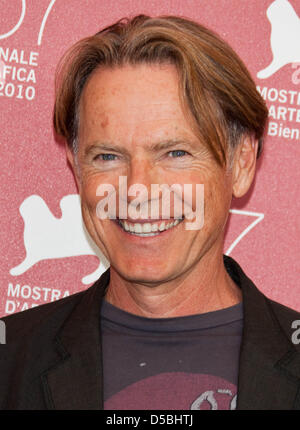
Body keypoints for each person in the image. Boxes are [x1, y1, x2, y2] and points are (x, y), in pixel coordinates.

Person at [1, 14, 300, 411]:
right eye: (107, 156)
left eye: (175, 153)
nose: (137, 189)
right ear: (76, 168)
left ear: (241, 163)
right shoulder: (10, 360)